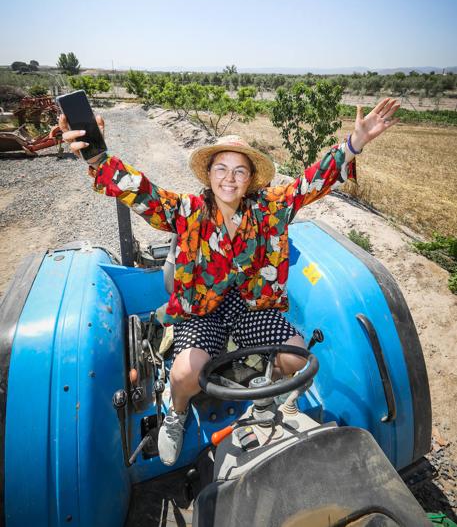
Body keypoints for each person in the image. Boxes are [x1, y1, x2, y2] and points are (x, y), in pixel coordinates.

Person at [60, 96, 400, 466]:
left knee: (295, 355)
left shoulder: (270, 209)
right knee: (185, 373)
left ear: (251, 179)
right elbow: (142, 193)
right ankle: (176, 413)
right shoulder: (186, 211)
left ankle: (266, 396)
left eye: (240, 171)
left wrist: (354, 143)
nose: (230, 178)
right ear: (209, 175)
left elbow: (310, 182)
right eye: (221, 169)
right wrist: (96, 156)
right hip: (200, 311)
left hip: (250, 307)